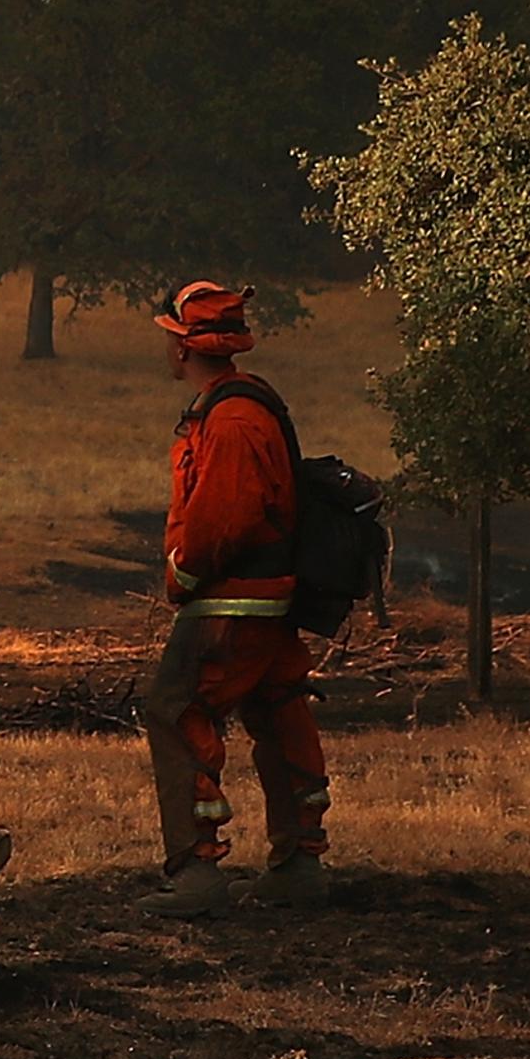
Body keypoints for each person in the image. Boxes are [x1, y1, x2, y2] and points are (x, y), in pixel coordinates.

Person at [136, 280, 332, 918]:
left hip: (232, 605)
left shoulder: (232, 419)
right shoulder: (241, 405)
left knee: (175, 708)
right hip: (267, 602)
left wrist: (181, 576)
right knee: (278, 711)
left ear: (185, 344)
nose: (164, 345)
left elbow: (221, 521)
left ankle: (196, 872)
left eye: (170, 335)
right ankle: (300, 864)